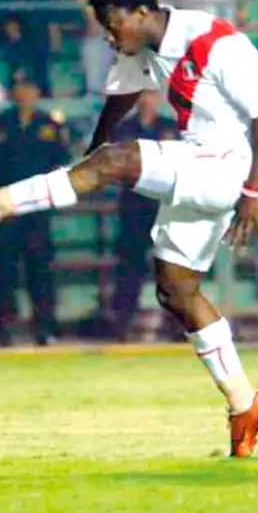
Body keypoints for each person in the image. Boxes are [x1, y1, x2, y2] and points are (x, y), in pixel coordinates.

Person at [0, 0, 258, 457]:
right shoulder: (141, 47)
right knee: (176, 290)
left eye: (113, 25)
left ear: (141, 12)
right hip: (198, 162)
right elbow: (121, 98)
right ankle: (246, 404)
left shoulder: (215, 41)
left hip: (226, 166)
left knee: (117, 161)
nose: (109, 37)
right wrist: (94, 150)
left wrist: (252, 192)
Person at [0, 69, 71, 347]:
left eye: (29, 87)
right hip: (6, 207)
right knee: (4, 270)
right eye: (19, 87)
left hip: (36, 208)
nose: (24, 93)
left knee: (40, 269)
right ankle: (2, 328)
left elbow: (60, 162)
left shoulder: (49, 125)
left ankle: (45, 328)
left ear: (36, 92)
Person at [108, 91, 174, 342]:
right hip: (133, 205)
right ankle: (122, 323)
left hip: (164, 206)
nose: (147, 100)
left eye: (152, 94)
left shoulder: (170, 128)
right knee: (129, 268)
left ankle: (177, 323)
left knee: (172, 267)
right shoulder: (123, 129)